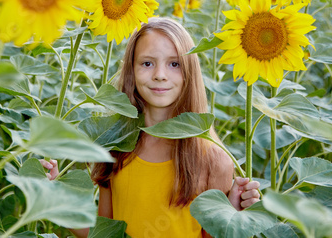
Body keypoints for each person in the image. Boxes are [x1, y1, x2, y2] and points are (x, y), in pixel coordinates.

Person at [41, 17, 260, 238]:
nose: (160, 75)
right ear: (131, 72)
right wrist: (54, 197)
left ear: (189, 73)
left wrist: (232, 214)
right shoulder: (114, 148)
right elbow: (104, 233)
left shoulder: (213, 160)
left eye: (174, 64)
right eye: (147, 63)